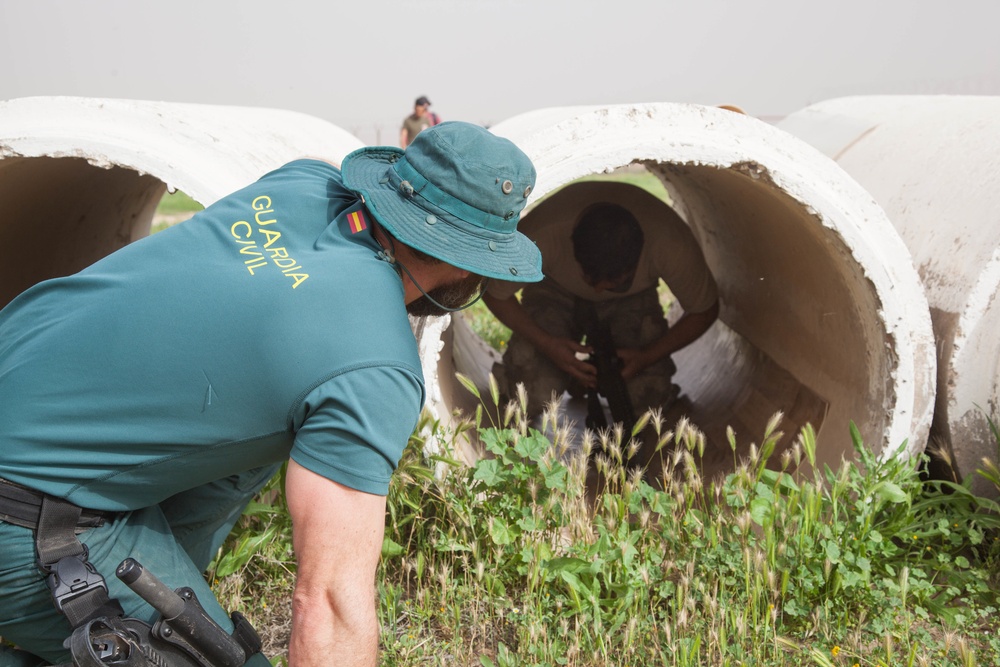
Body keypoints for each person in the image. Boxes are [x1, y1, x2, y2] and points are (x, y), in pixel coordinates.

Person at [0, 121, 541, 667]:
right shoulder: (372, 363)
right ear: (467, 258)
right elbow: (329, 607)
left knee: (274, 431)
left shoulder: (303, 183)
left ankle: (135, 584)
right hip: (26, 511)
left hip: (22, 398)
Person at [484, 180, 719, 458]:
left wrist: (646, 356)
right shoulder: (541, 236)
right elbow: (493, 291)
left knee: (647, 398)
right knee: (532, 393)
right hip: (554, 288)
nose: (597, 291)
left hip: (631, 300)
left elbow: (705, 309)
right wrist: (547, 344)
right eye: (590, 278)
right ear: (573, 248)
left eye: (613, 282)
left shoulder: (669, 243)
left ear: (639, 258)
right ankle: (536, 377)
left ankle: (594, 374)